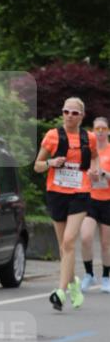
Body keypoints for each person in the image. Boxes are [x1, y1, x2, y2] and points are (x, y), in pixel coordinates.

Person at [34, 97, 99, 310]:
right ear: (62, 113)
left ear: (82, 116)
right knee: (64, 247)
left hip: (80, 193)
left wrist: (94, 171)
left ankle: (60, 291)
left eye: (74, 113)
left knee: (70, 241)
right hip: (57, 193)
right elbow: (37, 166)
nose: (70, 116)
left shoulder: (88, 138)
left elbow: (96, 158)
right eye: (66, 112)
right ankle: (73, 284)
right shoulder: (52, 136)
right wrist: (51, 162)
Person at [80, 116, 110, 293]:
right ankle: (89, 274)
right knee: (85, 238)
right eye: (97, 129)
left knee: (106, 243)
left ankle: (106, 277)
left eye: (103, 129)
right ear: (92, 131)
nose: (99, 132)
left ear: (108, 131)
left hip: (107, 201)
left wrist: (104, 174)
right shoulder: (88, 152)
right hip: (90, 199)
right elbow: (80, 175)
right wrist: (89, 176)